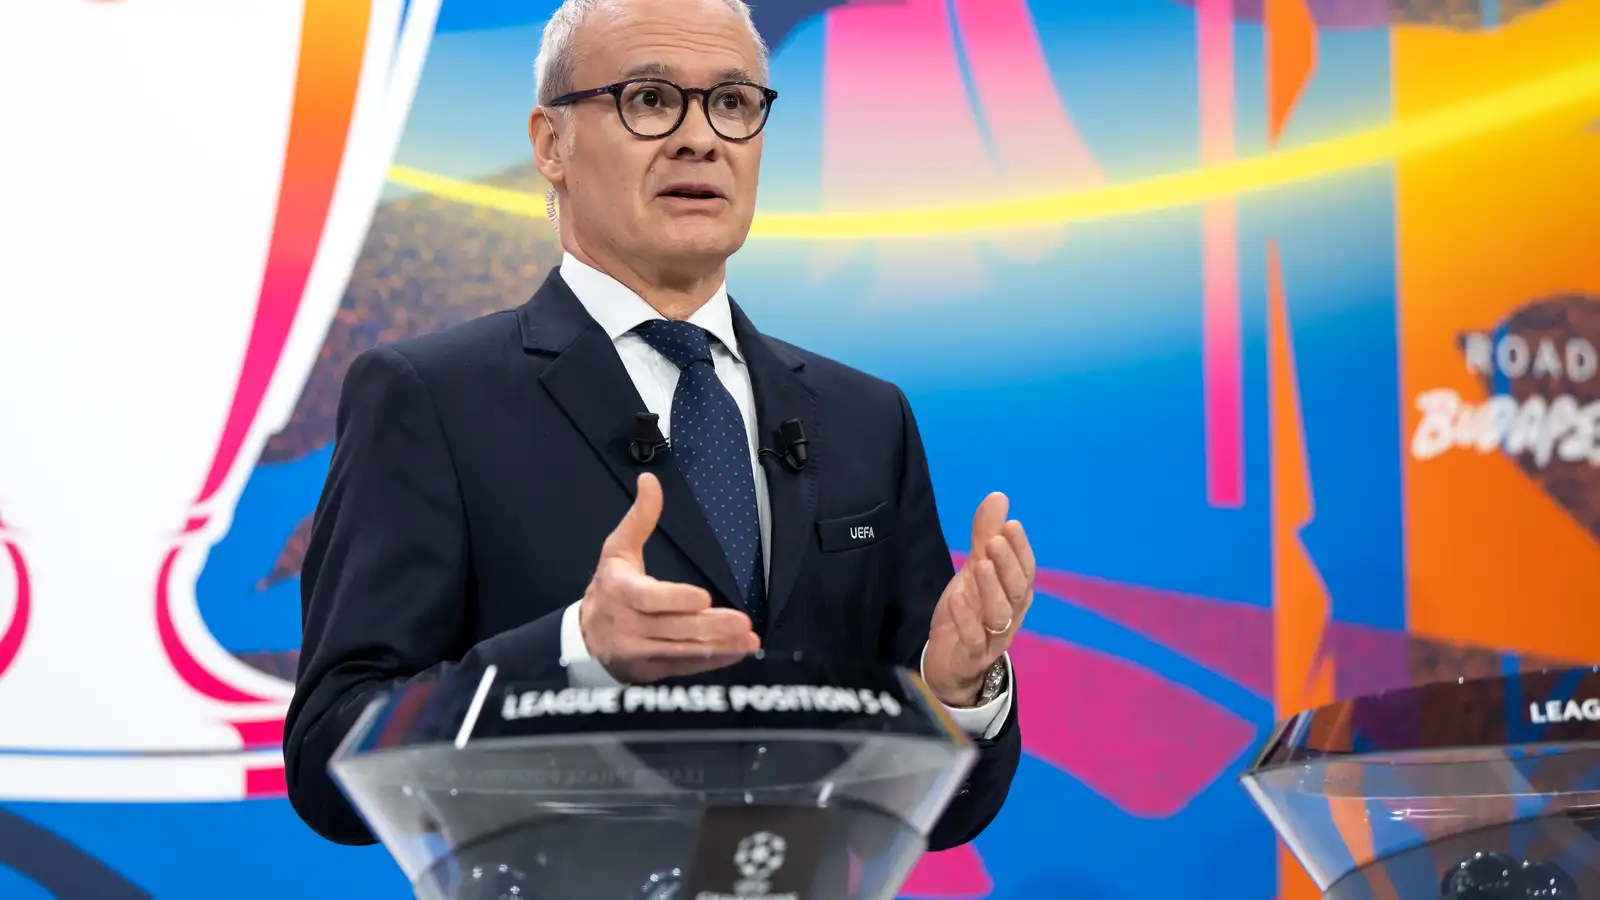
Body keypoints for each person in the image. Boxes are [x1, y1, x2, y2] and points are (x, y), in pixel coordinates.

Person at [284, 0, 1035, 853]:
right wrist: (574, 652)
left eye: (733, 103)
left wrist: (955, 688)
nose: (700, 139)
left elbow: (941, 814)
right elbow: (331, 754)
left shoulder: (866, 418)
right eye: (649, 100)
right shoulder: (431, 398)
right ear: (551, 143)